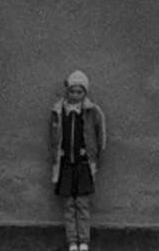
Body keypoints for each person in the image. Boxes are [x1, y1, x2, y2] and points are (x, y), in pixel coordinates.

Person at [49, 70, 105, 251]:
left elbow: (101, 136)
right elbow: (53, 138)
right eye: (72, 91)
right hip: (65, 166)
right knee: (68, 205)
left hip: (83, 165)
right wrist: (56, 156)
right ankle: (72, 241)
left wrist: (94, 157)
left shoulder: (92, 112)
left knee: (82, 204)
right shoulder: (59, 111)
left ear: (85, 92)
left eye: (79, 92)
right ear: (67, 92)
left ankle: (84, 241)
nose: (75, 95)